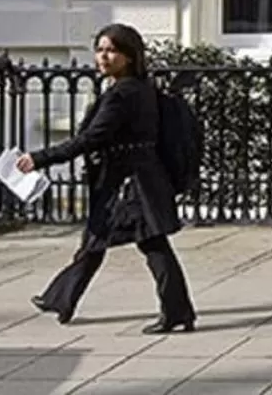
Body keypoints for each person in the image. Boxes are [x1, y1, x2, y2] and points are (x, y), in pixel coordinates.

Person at [18, 23, 197, 334]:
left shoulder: (121, 95)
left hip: (131, 182)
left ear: (129, 56)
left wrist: (39, 158)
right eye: (100, 50)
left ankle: (177, 311)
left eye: (111, 51)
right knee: (98, 241)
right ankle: (61, 298)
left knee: (150, 245)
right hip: (137, 177)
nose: (103, 57)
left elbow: (90, 139)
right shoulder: (142, 89)